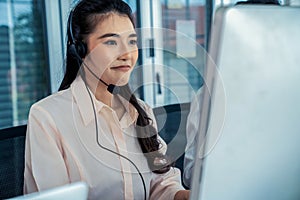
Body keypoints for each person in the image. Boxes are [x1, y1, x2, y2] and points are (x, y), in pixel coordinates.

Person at [23, 0, 189, 199]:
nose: (126, 54)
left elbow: (162, 185)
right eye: (111, 42)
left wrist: (188, 195)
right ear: (81, 50)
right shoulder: (48, 117)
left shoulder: (140, 111)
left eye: (132, 41)